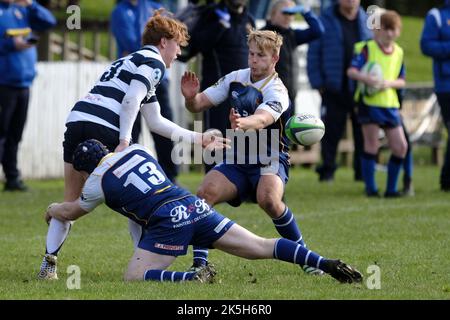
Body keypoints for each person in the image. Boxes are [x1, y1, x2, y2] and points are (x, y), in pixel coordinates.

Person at [37, 10, 228, 280]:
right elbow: (130, 101)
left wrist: (197, 138)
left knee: (71, 200)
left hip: (78, 119)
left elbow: (156, 121)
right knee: (137, 203)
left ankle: (49, 263)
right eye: (177, 46)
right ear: (164, 42)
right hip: (105, 127)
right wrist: (125, 141)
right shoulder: (154, 62)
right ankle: (144, 263)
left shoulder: (131, 59)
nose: (178, 54)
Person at [43, 139, 363, 284]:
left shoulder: (95, 182)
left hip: (168, 218)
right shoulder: (137, 150)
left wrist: (52, 208)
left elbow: (71, 212)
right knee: (260, 246)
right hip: (193, 205)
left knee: (134, 276)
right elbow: (129, 154)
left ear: (84, 171)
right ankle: (324, 262)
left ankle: (191, 278)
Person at [181, 29, 325, 275]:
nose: (254, 59)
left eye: (261, 55)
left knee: (268, 200)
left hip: (270, 158)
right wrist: (190, 98)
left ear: (275, 59)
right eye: (251, 54)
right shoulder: (236, 78)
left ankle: (306, 259)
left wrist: (242, 123)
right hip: (237, 159)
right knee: (204, 193)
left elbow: (262, 119)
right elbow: (199, 104)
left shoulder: (278, 90)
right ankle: (200, 265)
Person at [178, 0, 255, 172]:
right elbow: (195, 45)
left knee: (247, 140)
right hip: (218, 92)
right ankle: (213, 183)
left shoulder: (248, 19)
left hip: (246, 93)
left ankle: (246, 185)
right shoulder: (211, 14)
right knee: (216, 138)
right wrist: (220, 25)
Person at [111, 0, 179, 183]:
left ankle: (170, 176)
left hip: (158, 79)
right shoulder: (121, 11)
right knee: (131, 128)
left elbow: (167, 37)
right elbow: (133, 43)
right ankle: (128, 176)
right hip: (134, 79)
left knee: (164, 126)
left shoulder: (152, 6)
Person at [307, 0, 371, 182]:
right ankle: (327, 171)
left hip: (360, 89)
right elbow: (314, 53)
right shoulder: (325, 19)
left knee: (363, 132)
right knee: (330, 132)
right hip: (333, 87)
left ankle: (362, 173)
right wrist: (318, 82)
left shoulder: (367, 19)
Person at [347, 10, 407, 198]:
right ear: (378, 30)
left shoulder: (398, 52)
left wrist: (388, 83)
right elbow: (351, 71)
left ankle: (391, 189)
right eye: (386, 28)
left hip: (390, 104)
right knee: (371, 146)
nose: (389, 33)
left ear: (398, 31)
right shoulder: (368, 48)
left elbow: (402, 80)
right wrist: (367, 79)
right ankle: (371, 188)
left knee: (401, 147)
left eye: (393, 29)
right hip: (369, 103)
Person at [0, 0, 56, 191]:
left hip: (23, 83)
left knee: (15, 134)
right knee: (1, 133)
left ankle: (12, 178)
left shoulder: (20, 10)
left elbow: (49, 21)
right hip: (3, 83)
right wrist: (9, 45)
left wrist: (31, 4)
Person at [261, 0, 324, 108]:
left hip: (290, 97)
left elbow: (318, 31)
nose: (288, 17)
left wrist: (305, 11)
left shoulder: (292, 34)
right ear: (273, 13)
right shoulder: (263, 35)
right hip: (269, 97)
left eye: (292, 13)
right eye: (285, 12)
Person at [421, 0, 450, 192]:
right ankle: (446, 180)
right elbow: (426, 45)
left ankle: (446, 180)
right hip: (446, 85)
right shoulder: (437, 16)